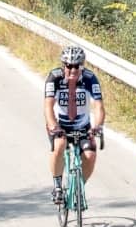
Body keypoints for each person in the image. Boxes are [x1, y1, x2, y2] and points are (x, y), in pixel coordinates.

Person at [44, 46, 105, 205]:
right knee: (60, 144)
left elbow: (99, 107)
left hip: (82, 127)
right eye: (68, 66)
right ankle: (57, 186)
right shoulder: (54, 78)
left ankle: (79, 187)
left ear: (82, 66)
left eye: (76, 66)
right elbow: (48, 106)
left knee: (90, 155)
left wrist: (97, 126)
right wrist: (53, 126)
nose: (72, 69)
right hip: (60, 125)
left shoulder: (90, 79)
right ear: (63, 65)